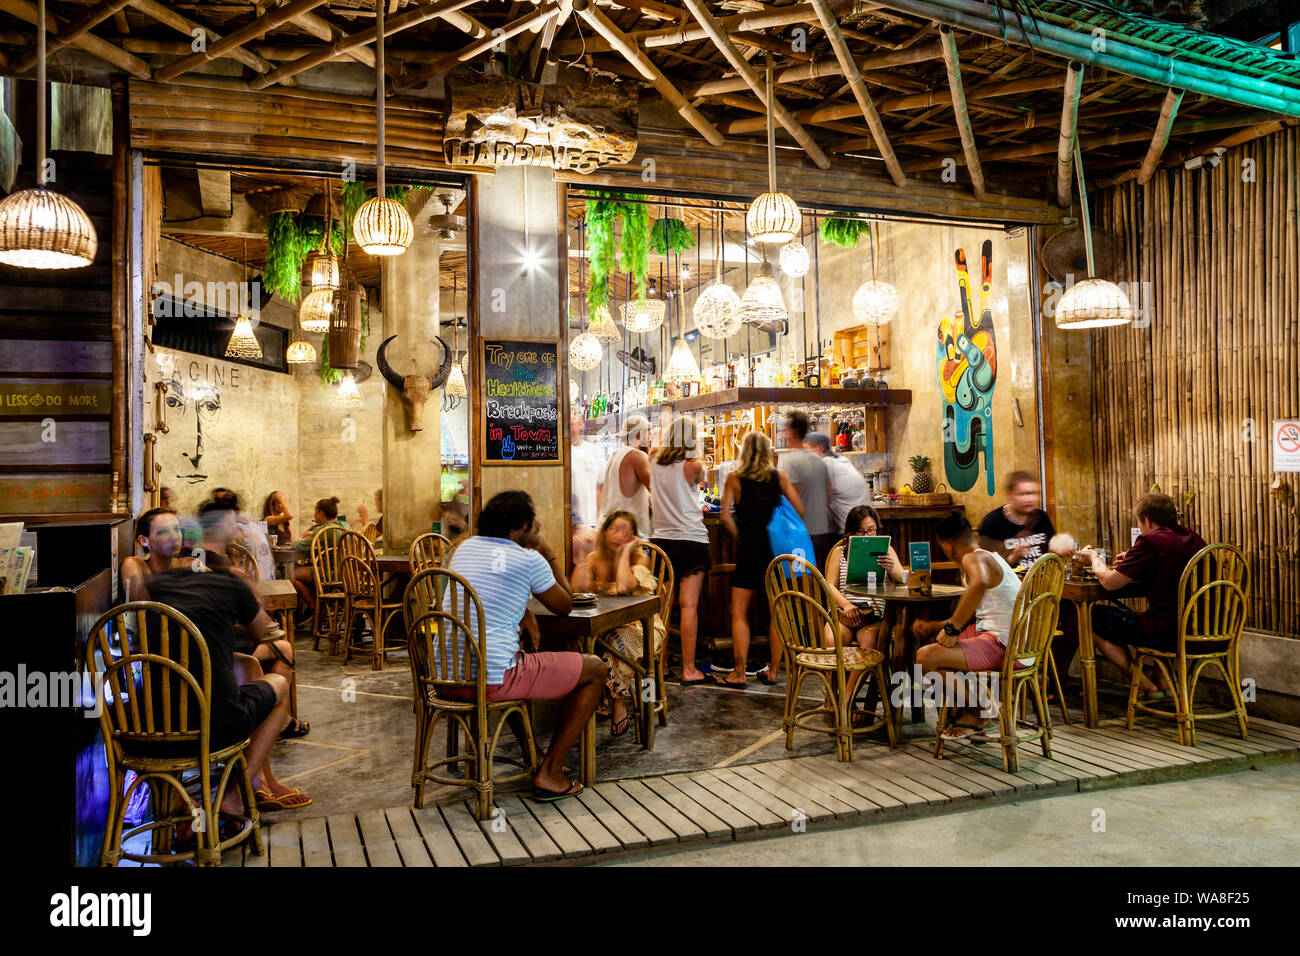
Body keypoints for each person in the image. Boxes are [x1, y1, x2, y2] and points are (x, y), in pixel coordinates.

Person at [139, 501, 310, 813]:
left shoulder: (156, 584)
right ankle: (235, 789)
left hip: (149, 726)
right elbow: (268, 633)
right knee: (275, 673)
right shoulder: (226, 578)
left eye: (177, 530)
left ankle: (182, 804)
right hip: (214, 725)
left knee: (249, 665)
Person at [447, 490, 602, 801]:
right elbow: (565, 604)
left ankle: (536, 757)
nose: (538, 526)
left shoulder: (464, 548)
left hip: (446, 679)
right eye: (535, 522)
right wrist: (550, 553)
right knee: (596, 669)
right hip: (492, 681)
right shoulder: (528, 559)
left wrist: (525, 611)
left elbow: (484, 596)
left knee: (518, 655)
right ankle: (551, 772)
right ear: (522, 527)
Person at [913, 511, 1022, 739]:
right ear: (972, 534)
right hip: (1018, 640)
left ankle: (981, 711)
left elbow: (979, 583)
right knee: (937, 649)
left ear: (947, 547)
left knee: (925, 657)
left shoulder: (973, 558)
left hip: (1005, 645)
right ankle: (965, 709)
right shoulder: (990, 556)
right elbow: (980, 610)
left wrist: (952, 629)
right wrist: (936, 626)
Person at [1087, 493, 1207, 697]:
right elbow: (1167, 563)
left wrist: (1094, 559)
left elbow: (1110, 583)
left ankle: (1143, 684)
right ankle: (1164, 684)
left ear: (1147, 520)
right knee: (1146, 614)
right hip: (1202, 628)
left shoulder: (1150, 541)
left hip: (1166, 632)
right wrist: (1133, 558)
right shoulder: (1193, 538)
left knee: (1090, 617)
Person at [718, 430, 804, 689]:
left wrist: (739, 535)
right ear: (769, 452)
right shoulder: (779, 478)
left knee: (738, 612)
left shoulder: (734, 478)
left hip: (748, 552)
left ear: (744, 451)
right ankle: (774, 670)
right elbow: (799, 510)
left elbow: (724, 517)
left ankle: (740, 672)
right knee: (776, 613)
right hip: (775, 555)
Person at [570, 510, 666, 738]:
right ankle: (596, 695)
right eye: (616, 529)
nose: (622, 534)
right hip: (606, 624)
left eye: (627, 531)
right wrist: (583, 560)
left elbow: (623, 588)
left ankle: (617, 700)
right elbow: (576, 590)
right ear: (604, 533)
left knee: (620, 640)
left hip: (645, 627)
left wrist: (623, 554)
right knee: (578, 640)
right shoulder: (595, 558)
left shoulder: (640, 558)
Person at [649, 415, 712, 686]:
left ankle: (659, 664)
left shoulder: (652, 461)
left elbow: (654, 450)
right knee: (689, 607)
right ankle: (689, 669)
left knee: (661, 608)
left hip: (661, 541)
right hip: (692, 540)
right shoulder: (694, 466)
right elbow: (704, 486)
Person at [825, 505, 905, 652]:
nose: (867, 536)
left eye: (871, 530)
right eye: (861, 532)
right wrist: (846, 605)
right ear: (851, 532)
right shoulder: (839, 551)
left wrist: (891, 569)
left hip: (873, 615)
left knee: (869, 639)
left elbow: (903, 578)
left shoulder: (886, 549)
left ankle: (851, 677)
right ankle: (841, 676)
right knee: (832, 640)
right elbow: (829, 585)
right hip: (844, 613)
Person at [780, 411, 834, 569]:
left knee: (802, 584)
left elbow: (792, 502)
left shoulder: (790, 461)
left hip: (802, 534)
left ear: (792, 432)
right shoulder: (818, 459)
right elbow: (830, 496)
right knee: (820, 584)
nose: (782, 434)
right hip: (824, 532)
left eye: (784, 430)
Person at [977, 471, 1063, 569]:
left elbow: (1051, 552)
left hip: (1043, 581)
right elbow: (986, 569)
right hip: (1011, 583)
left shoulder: (1041, 517)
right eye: (1023, 494)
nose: (1029, 499)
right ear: (1009, 494)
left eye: (1033, 493)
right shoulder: (992, 522)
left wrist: (1059, 551)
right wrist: (1013, 558)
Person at [291, 496, 348, 622]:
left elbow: (301, 546)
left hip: (333, 575)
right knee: (311, 570)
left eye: (315, 511)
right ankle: (319, 603)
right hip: (349, 574)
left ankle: (313, 606)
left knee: (291, 575)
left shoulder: (324, 530)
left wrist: (294, 541)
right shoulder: (345, 526)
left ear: (320, 512)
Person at [121, 507, 195, 602]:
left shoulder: (190, 563)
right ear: (144, 540)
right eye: (164, 531)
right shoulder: (134, 564)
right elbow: (140, 609)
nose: (174, 537)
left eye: (176, 529)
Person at [598, 414, 652, 535]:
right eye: (649, 433)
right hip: (628, 535)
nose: (650, 438)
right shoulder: (637, 456)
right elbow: (658, 492)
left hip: (609, 531)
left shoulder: (615, 455)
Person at [805, 431, 869, 533]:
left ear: (818, 448)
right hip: (866, 528)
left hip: (849, 532)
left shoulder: (825, 464)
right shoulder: (842, 460)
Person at [569, 407, 605, 544]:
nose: (574, 429)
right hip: (572, 525)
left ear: (582, 425)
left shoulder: (595, 450)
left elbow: (600, 487)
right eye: (570, 424)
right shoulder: (563, 453)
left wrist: (599, 520)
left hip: (592, 522)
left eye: (577, 424)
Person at [159, 486, 201, 551]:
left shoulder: (185, 523)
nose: (168, 503)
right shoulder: (155, 522)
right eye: (164, 498)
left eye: (171, 499)